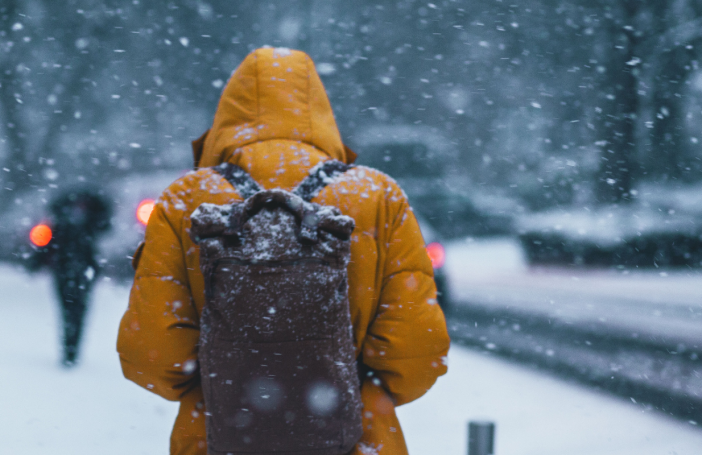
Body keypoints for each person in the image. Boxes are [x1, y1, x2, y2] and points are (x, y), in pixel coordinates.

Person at [118, 48, 451, 455]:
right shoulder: (376, 196)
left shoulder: (187, 200)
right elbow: (417, 352)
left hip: (215, 439)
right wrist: (347, 389)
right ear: (320, 112)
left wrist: (227, 385)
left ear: (227, 116)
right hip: (355, 441)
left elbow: (150, 357)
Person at [30, 189, 111, 367]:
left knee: (74, 311)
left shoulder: (81, 222)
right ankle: (70, 349)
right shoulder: (75, 223)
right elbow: (47, 243)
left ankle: (71, 350)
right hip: (72, 271)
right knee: (72, 311)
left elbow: (46, 243)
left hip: (74, 271)